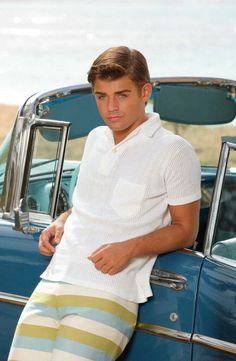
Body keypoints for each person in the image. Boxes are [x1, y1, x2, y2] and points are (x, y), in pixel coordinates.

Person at [8, 46, 201, 361]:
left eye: (121, 95)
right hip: (53, 283)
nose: (111, 107)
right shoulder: (96, 138)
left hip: (107, 293)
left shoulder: (174, 151)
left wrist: (129, 248)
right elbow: (93, 202)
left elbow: (185, 230)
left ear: (145, 91)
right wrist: (62, 220)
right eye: (101, 96)